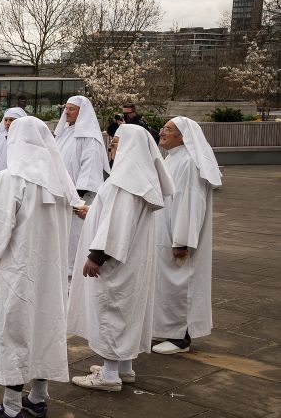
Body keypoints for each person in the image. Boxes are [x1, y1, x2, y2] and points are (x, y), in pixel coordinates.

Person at [0, 117, 79, 418]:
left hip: (15, 272)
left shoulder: (10, 180)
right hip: (49, 274)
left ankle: (11, 408)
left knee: (13, 332)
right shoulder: (59, 182)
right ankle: (38, 397)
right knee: (44, 328)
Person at [68, 125, 173, 391]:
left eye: (115, 142)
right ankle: (122, 367)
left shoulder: (124, 182)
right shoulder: (136, 179)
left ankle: (110, 375)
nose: (111, 148)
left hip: (115, 260)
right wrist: (93, 211)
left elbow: (118, 225)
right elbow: (116, 216)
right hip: (132, 261)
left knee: (111, 309)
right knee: (125, 310)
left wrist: (97, 256)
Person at [152, 117, 221, 354]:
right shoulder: (173, 158)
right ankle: (169, 330)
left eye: (168, 130)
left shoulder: (189, 163)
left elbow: (190, 203)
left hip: (177, 237)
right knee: (168, 285)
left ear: (183, 137)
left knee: (181, 285)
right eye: (163, 128)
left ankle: (181, 337)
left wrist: (182, 241)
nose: (162, 132)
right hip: (165, 232)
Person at [54, 96, 109, 277]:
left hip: (79, 202)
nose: (67, 112)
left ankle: (73, 273)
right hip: (60, 198)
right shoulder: (63, 134)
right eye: (66, 108)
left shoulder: (90, 139)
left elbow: (90, 169)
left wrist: (76, 198)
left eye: (72, 109)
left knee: (74, 238)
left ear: (82, 112)